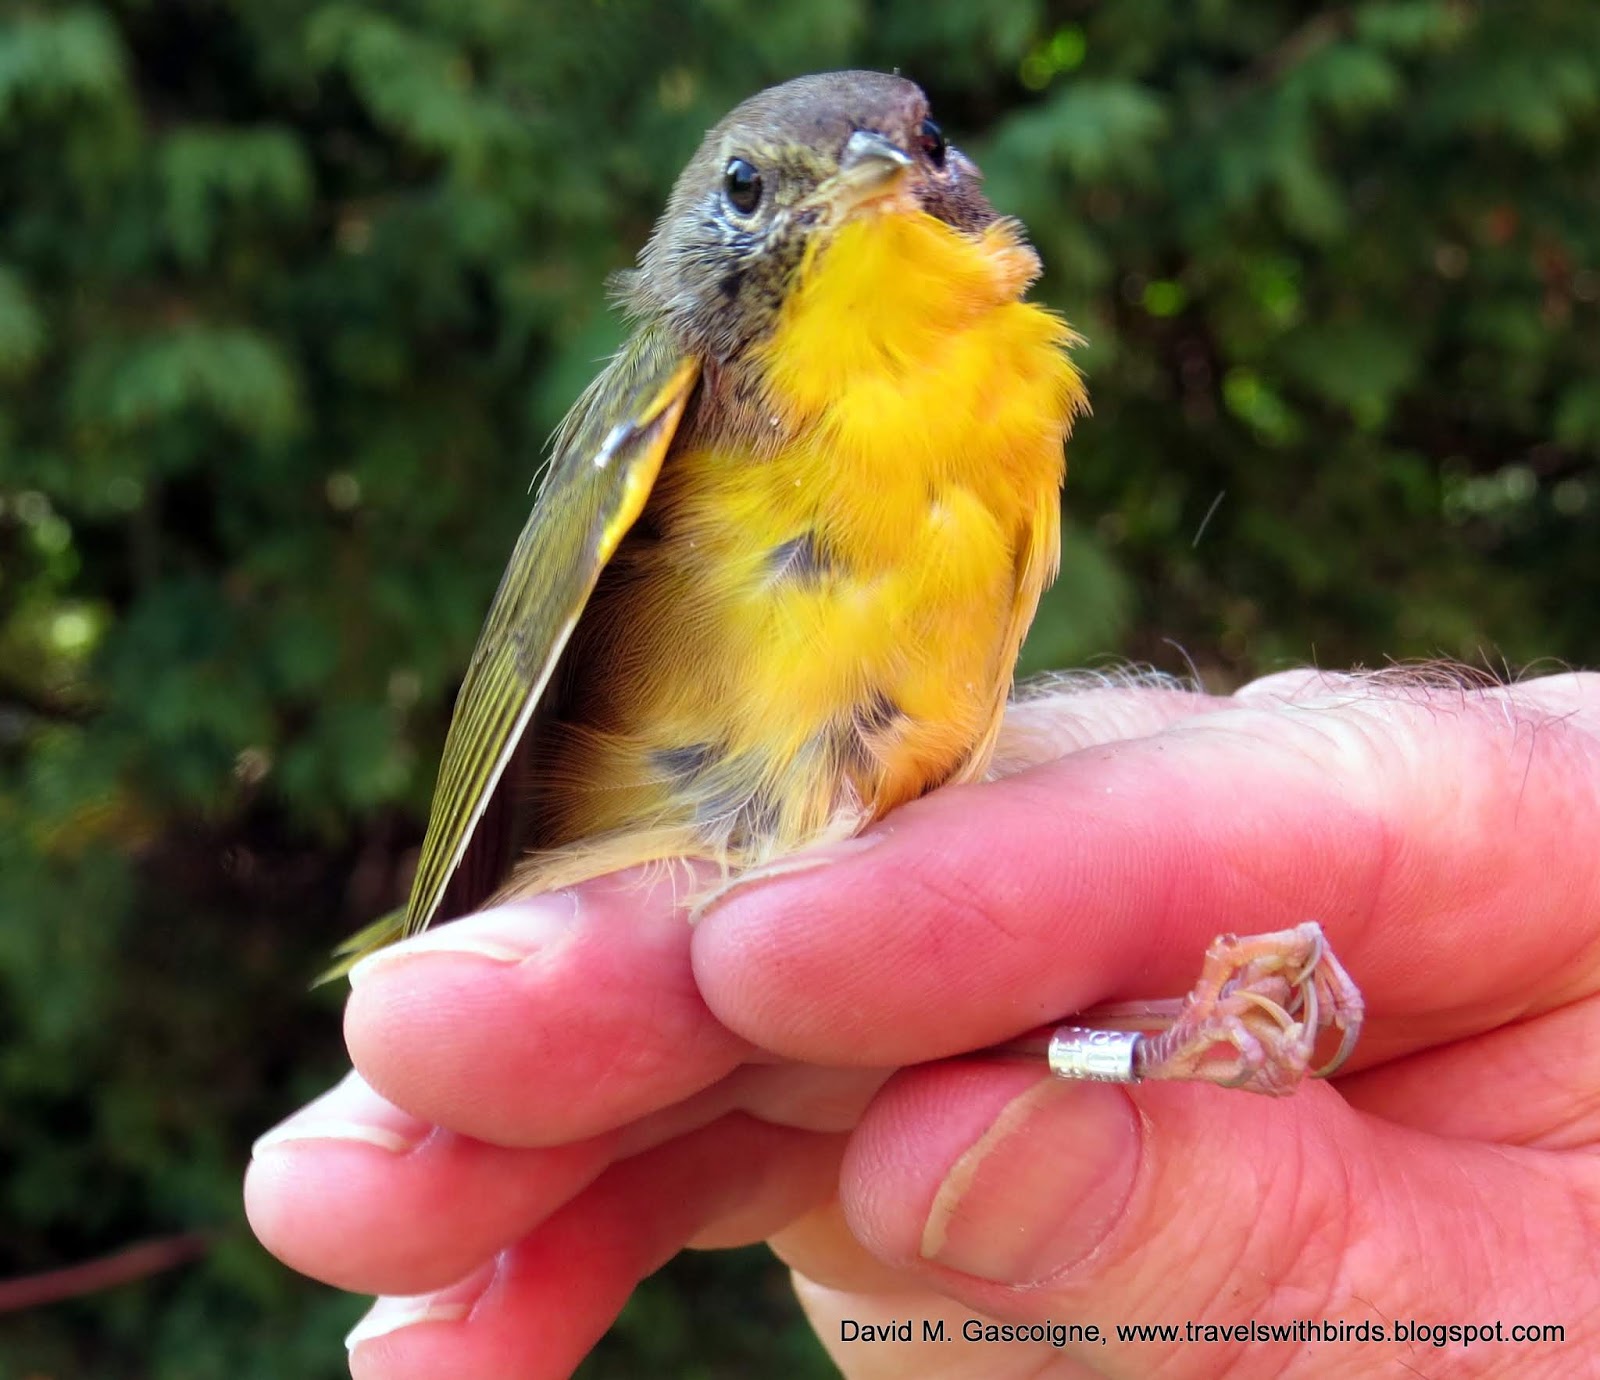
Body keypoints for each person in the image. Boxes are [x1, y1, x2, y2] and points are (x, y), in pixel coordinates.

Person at [245, 668, 1600, 1378]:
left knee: (935, 1037)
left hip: (887, 975)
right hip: (769, 928)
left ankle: (1154, 1043)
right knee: (924, 1045)